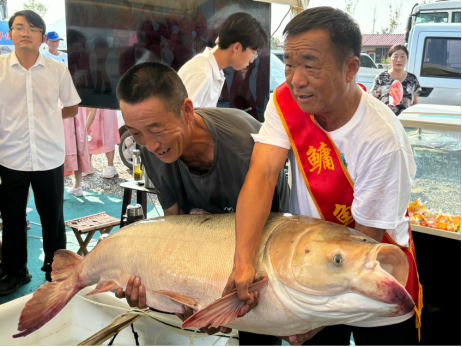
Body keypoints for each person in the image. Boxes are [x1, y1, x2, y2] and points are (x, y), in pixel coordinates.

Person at [224, 7, 421, 346]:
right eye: (289, 63)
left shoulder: (382, 140)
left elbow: (365, 239)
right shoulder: (287, 101)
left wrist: (316, 318)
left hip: (374, 264)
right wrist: (242, 262)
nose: (295, 79)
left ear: (350, 68)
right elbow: (261, 175)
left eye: (310, 65)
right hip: (314, 263)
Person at [114, 62, 290, 346]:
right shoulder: (150, 151)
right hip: (206, 250)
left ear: (186, 111)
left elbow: (273, 238)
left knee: (259, 333)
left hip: (261, 248)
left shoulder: (244, 148)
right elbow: (177, 228)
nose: (151, 144)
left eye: (156, 129)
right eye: (136, 133)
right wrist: (188, 297)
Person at [0, 10, 81, 294]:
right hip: (10, 156)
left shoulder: (57, 69)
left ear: (42, 38)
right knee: (11, 218)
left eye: (33, 29)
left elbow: (71, 105)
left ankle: (55, 270)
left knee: (53, 217)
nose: (26, 32)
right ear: (9, 34)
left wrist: (50, 117)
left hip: (48, 155)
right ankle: (15, 271)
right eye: (19, 27)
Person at [178, 12, 268, 108]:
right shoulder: (203, 72)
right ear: (237, 47)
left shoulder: (213, 69)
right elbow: (183, 119)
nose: (252, 60)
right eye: (253, 54)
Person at [41, 31, 92, 197]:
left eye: (57, 41)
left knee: (79, 142)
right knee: (61, 143)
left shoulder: (66, 57)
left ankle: (77, 185)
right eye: (52, 41)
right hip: (55, 103)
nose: (55, 43)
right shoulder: (42, 57)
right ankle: (58, 187)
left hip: (72, 101)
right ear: (46, 41)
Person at [371, 44, 422, 116]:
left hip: (406, 122)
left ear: (407, 59)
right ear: (389, 59)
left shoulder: (412, 79)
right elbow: (373, 101)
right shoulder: (381, 77)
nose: (399, 60)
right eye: (395, 56)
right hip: (386, 121)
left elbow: (415, 103)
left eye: (402, 56)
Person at [84, 108, 121, 179]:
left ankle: (110, 166)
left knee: (107, 133)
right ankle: (87, 165)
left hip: (107, 103)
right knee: (90, 132)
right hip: (92, 100)